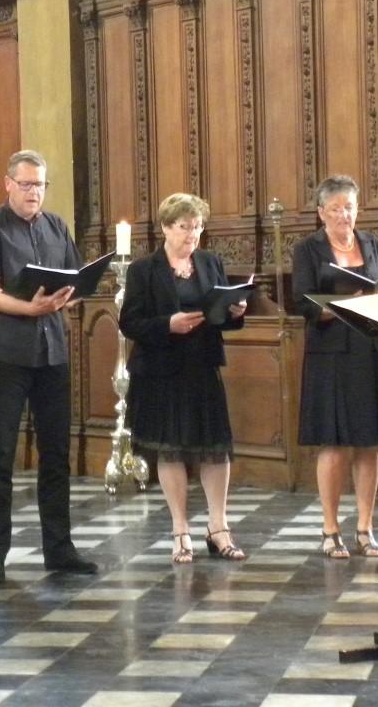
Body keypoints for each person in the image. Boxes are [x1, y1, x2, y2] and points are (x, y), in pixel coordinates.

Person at [0, 150, 97, 585]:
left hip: (52, 352)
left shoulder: (57, 226)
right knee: (0, 454)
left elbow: (75, 283)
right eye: (25, 184)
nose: (33, 192)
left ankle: (59, 549)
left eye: (39, 185)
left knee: (56, 454)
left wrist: (68, 295)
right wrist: (31, 307)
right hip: (7, 353)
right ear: (8, 184)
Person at [120, 193, 248, 564]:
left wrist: (235, 311)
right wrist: (168, 325)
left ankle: (218, 528)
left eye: (197, 227)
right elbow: (130, 323)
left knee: (215, 447)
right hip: (161, 369)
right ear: (165, 227)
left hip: (202, 366)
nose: (192, 234)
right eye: (184, 227)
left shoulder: (209, 262)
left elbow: (221, 318)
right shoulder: (144, 269)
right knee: (171, 448)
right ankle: (180, 530)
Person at [291, 174, 378, 559]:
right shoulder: (308, 249)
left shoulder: (373, 244)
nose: (344, 215)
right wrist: (343, 305)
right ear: (321, 212)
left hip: (374, 349)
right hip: (333, 354)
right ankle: (330, 528)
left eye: (350, 207)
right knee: (335, 442)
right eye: (336, 208)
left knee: (369, 442)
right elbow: (302, 302)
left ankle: (365, 528)